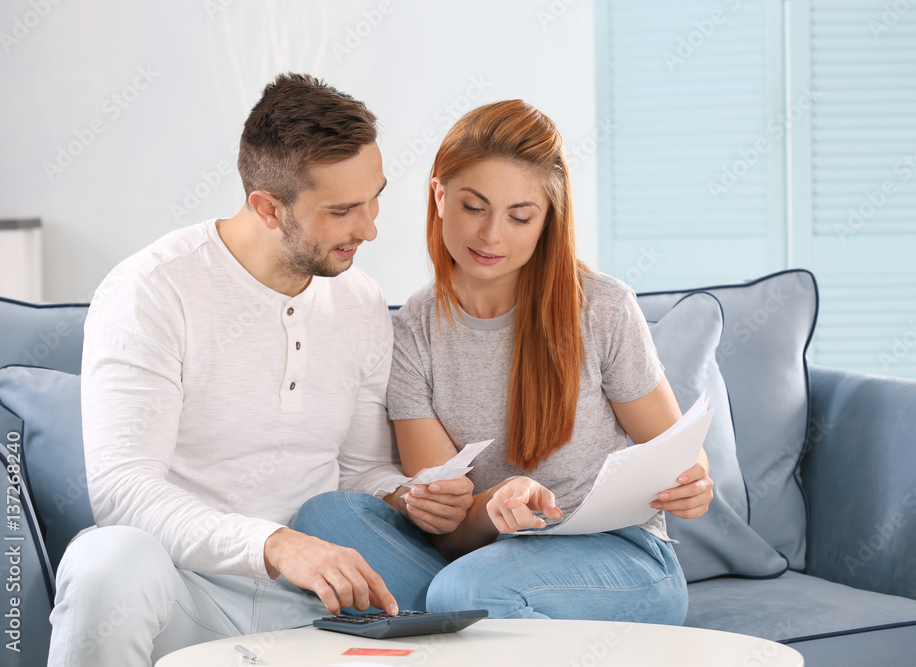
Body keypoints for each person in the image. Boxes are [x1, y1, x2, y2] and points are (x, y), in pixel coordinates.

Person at [47, 73, 453, 666]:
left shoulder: (360, 301)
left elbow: (358, 470)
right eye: (341, 211)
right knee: (103, 563)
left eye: (375, 198)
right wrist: (276, 545)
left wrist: (406, 495)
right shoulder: (152, 291)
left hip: (319, 608)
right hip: (190, 593)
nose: (369, 228)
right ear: (267, 208)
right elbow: (123, 492)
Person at [292, 99, 714, 622]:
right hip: (482, 559)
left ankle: (454, 620)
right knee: (324, 520)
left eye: (519, 217)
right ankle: (471, 623)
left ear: (547, 221)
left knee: (467, 593)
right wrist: (492, 506)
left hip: (619, 556)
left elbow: (678, 455)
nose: (492, 235)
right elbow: (447, 534)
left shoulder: (602, 308)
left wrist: (694, 480)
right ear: (439, 196)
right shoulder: (411, 332)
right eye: (474, 207)